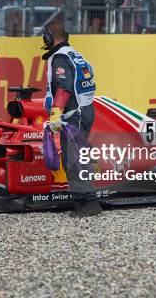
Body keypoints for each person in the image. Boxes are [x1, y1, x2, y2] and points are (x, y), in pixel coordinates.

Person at [41, 22, 99, 217]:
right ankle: (83, 202)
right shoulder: (72, 53)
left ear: (49, 37)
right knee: (74, 158)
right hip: (84, 110)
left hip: (75, 114)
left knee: (75, 160)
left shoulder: (59, 58)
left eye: (44, 36)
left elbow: (64, 87)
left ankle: (89, 204)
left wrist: (56, 112)